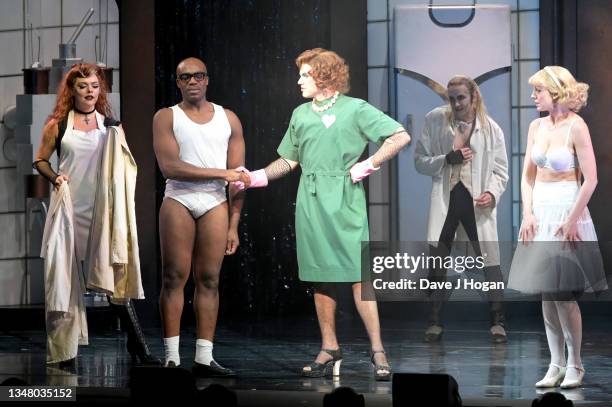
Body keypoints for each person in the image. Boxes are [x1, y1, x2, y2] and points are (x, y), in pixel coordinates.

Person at [235, 48, 411, 381]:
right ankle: (329, 347)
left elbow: (400, 136)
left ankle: (377, 350)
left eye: (305, 74)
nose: (299, 80)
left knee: (361, 277)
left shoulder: (355, 108)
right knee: (321, 275)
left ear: (324, 75)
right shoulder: (300, 114)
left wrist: (370, 163)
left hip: (345, 199)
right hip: (311, 201)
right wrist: (256, 177)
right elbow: (288, 160)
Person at [33, 63, 160, 368]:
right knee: (62, 280)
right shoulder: (58, 124)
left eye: (94, 85)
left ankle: (138, 345)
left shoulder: (111, 126)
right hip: (68, 211)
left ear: (100, 89)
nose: (89, 91)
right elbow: (40, 160)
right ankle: (64, 351)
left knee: (113, 280)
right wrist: (55, 178)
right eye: (82, 86)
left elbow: (124, 168)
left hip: (101, 212)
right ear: (71, 90)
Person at [508, 66, 607, 389]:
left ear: (557, 93)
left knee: (563, 295)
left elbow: (591, 179)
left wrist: (573, 217)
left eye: (538, 91)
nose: (533, 96)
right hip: (541, 211)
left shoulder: (576, 127)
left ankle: (576, 364)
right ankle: (555, 363)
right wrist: (528, 213)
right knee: (547, 296)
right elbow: (527, 176)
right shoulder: (536, 126)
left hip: (567, 209)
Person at [152, 57, 249, 376]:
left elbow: (238, 178)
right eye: (185, 77)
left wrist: (234, 224)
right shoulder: (166, 117)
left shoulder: (228, 118)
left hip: (214, 203)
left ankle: (204, 357)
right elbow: (171, 166)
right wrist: (221, 172)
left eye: (198, 76)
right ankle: (171, 357)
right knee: (174, 278)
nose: (192, 81)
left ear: (207, 80)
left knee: (209, 279)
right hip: (179, 197)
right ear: (178, 83)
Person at [414, 75, 509, 343]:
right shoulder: (435, 119)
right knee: (437, 260)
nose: (455, 103)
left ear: (473, 97)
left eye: (461, 98)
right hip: (447, 200)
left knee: (490, 262)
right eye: (451, 98)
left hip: (476, 203)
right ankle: (433, 322)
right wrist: (446, 159)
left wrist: (491, 192)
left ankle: (498, 322)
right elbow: (419, 161)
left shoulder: (491, 129)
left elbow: (501, 171)